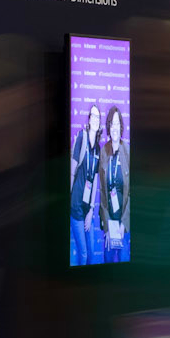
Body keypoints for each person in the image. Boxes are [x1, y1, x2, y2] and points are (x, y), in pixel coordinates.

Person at [70, 103, 104, 265]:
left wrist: (91, 210)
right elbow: (72, 170)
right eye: (93, 116)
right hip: (75, 205)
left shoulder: (97, 148)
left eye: (98, 117)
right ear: (89, 120)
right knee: (83, 254)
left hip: (86, 209)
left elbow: (95, 179)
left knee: (91, 253)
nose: (96, 119)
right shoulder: (81, 138)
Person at [101, 107, 131, 264]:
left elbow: (132, 193)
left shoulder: (127, 151)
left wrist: (124, 224)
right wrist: (107, 226)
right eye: (112, 123)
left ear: (121, 127)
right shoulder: (104, 152)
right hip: (109, 225)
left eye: (117, 123)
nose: (114, 127)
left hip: (123, 226)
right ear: (108, 126)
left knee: (125, 267)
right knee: (108, 266)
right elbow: (103, 194)